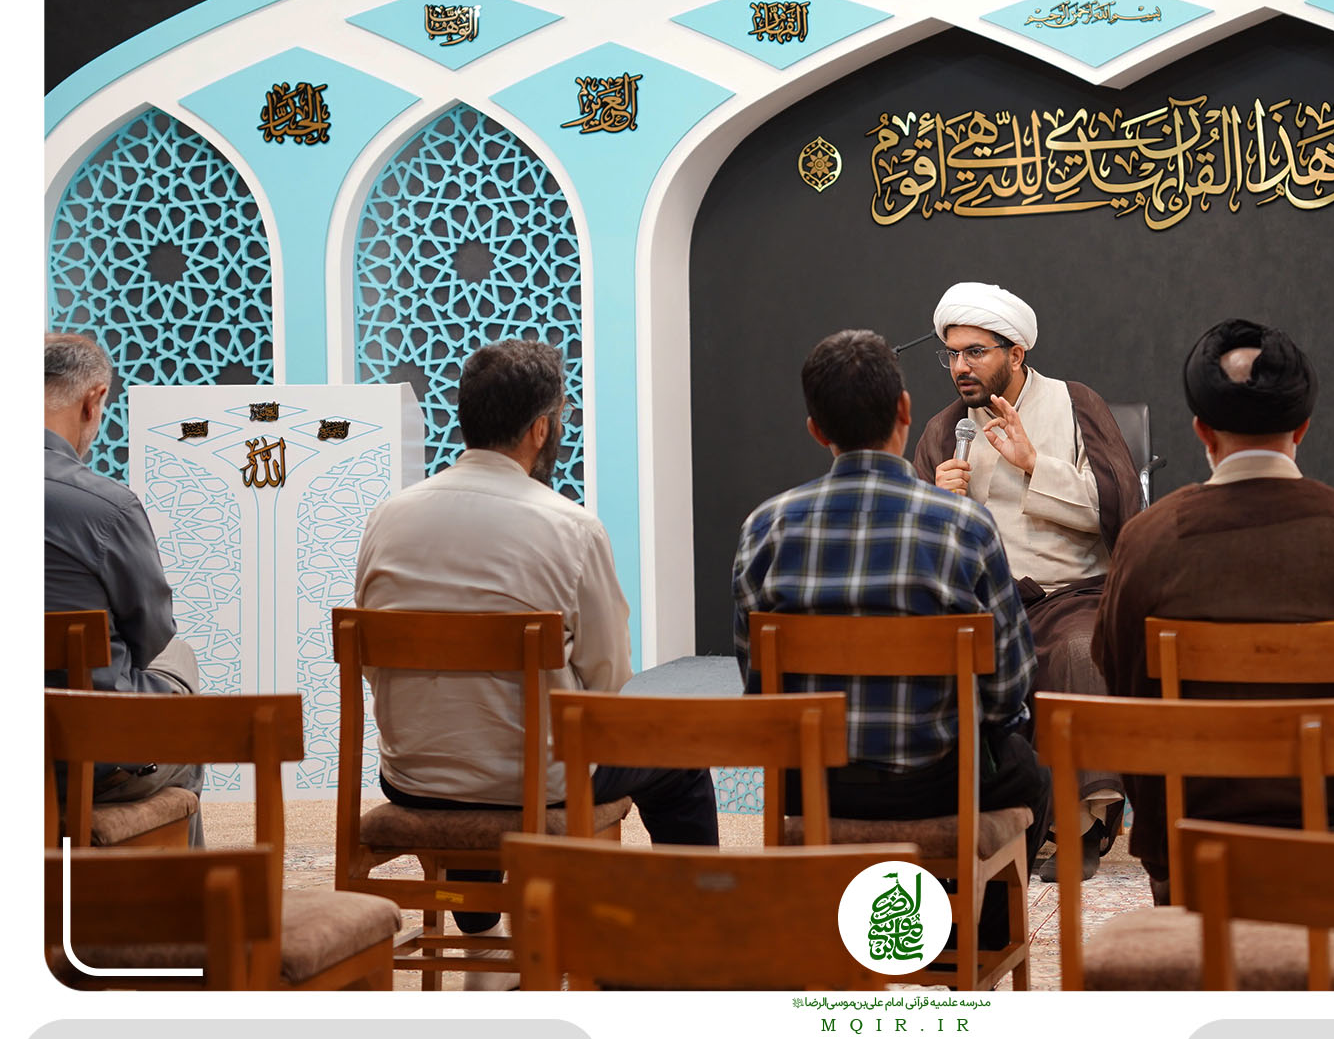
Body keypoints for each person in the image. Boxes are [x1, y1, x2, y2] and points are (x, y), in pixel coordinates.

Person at [354, 337, 718, 989]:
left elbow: (371, 664)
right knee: (679, 757)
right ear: (541, 428)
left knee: (475, 729)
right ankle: (699, 936)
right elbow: (608, 680)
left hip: (411, 778)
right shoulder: (570, 527)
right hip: (538, 786)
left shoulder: (387, 517)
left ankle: (477, 917)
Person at [1095, 318, 1334, 910]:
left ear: (1201, 429)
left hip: (1195, 840)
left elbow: (1123, 681)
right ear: (1302, 427)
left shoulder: (1148, 541)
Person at [733, 329, 1051, 944]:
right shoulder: (965, 527)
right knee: (1030, 775)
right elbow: (1009, 688)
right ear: (904, 411)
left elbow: (758, 686)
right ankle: (968, 944)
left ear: (816, 430)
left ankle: (838, 937)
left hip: (812, 785)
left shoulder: (764, 529)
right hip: (937, 782)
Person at [912, 282, 1141, 882]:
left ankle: (1079, 826)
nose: (960, 367)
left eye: (975, 352)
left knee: (1079, 650)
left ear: (1015, 354)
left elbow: (1122, 506)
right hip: (984, 602)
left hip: (1072, 592)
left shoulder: (1075, 404)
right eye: (952, 354)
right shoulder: (944, 429)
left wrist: (1035, 464)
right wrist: (937, 502)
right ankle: (971, 819)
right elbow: (915, 543)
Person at [44, 332, 205, 843]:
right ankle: (176, 891)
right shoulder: (106, 507)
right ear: (92, 401)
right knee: (179, 665)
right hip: (84, 760)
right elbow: (151, 635)